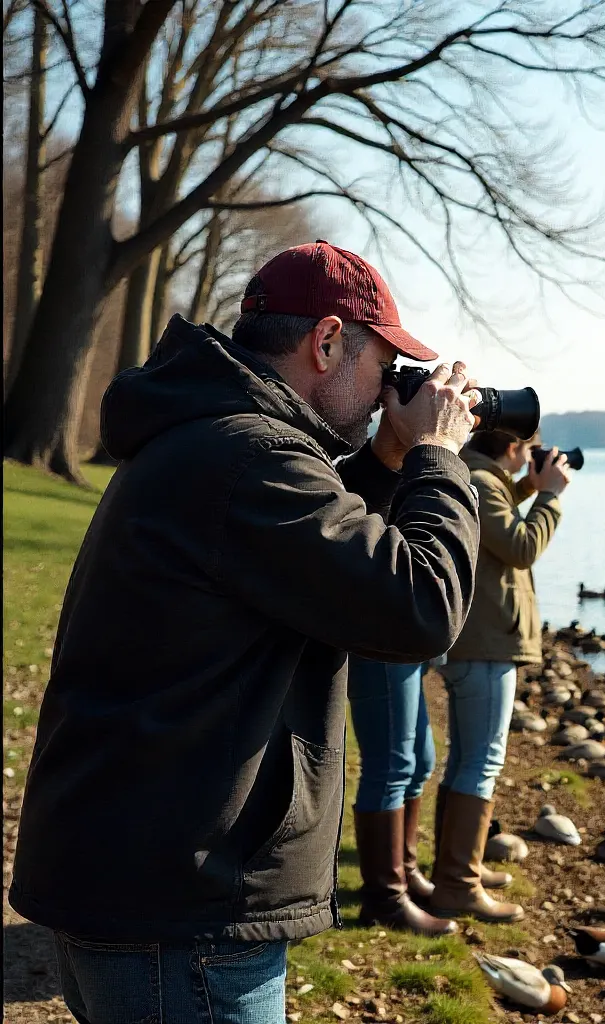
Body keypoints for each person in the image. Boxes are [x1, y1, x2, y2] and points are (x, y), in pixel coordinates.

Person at [10, 241, 482, 1022]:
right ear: (327, 341)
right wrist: (437, 456)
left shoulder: (214, 438)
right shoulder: (250, 457)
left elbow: (302, 557)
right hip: (184, 911)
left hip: (142, 880)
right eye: (382, 366)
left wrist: (388, 461)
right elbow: (418, 608)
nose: (382, 396)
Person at [428, 430, 572, 924]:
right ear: (512, 447)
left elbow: (498, 520)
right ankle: (457, 884)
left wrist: (531, 488)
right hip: (485, 646)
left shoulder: (479, 476)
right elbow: (519, 544)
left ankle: (455, 868)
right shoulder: (482, 482)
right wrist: (550, 496)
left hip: (477, 642)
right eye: (530, 447)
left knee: (465, 760)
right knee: (480, 763)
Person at [346, 656, 454, 935]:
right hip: (384, 639)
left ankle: (404, 871)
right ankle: (386, 900)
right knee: (390, 767)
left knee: (420, 762)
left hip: (407, 646)